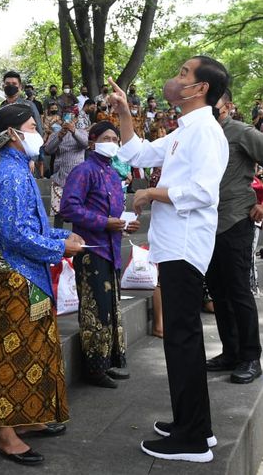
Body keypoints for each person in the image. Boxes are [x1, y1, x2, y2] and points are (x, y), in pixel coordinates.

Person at [108, 55, 230, 462]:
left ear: (200, 89)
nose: (175, 79)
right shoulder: (184, 131)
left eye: (183, 74)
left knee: (182, 338)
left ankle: (192, 438)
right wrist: (125, 112)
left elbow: (203, 192)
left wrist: (150, 194)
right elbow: (138, 154)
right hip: (174, 243)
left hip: (185, 245)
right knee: (181, 339)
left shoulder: (206, 133)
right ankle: (194, 425)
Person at [0, 103, 83, 466]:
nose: (37, 132)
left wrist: (63, 239)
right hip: (17, 276)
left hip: (31, 274)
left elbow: (34, 228)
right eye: (31, 125)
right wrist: (61, 246)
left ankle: (25, 419)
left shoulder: (20, 170)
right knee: (16, 352)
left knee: (37, 347)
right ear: (12, 134)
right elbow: (15, 235)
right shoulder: (10, 176)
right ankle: (6, 434)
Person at [60, 121, 140, 388]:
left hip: (111, 249)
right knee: (96, 310)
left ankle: (108, 361)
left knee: (111, 309)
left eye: (115, 138)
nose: (112, 142)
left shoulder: (113, 174)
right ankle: (94, 368)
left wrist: (125, 225)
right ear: (92, 141)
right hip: (90, 249)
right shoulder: (83, 171)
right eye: (106, 137)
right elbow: (68, 208)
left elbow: (114, 216)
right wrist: (104, 222)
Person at [205, 88, 263, 384]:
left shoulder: (241, 132)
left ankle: (251, 357)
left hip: (235, 220)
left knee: (238, 291)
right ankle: (231, 352)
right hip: (206, 226)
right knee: (218, 291)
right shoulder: (202, 135)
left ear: (227, 106)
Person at [0, 71, 44, 176]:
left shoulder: (29, 106)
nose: (10, 86)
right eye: (7, 84)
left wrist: (33, 158)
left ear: (20, 86)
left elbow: (38, 132)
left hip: (25, 157)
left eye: (14, 84)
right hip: (3, 159)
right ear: (3, 86)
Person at [44, 107, 88, 228]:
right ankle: (58, 239)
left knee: (78, 210)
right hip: (60, 177)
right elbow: (48, 150)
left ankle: (78, 237)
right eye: (65, 115)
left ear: (75, 118)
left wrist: (74, 131)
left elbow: (85, 144)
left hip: (78, 178)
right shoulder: (55, 133)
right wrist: (59, 136)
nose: (68, 118)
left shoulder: (82, 132)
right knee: (59, 212)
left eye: (71, 115)